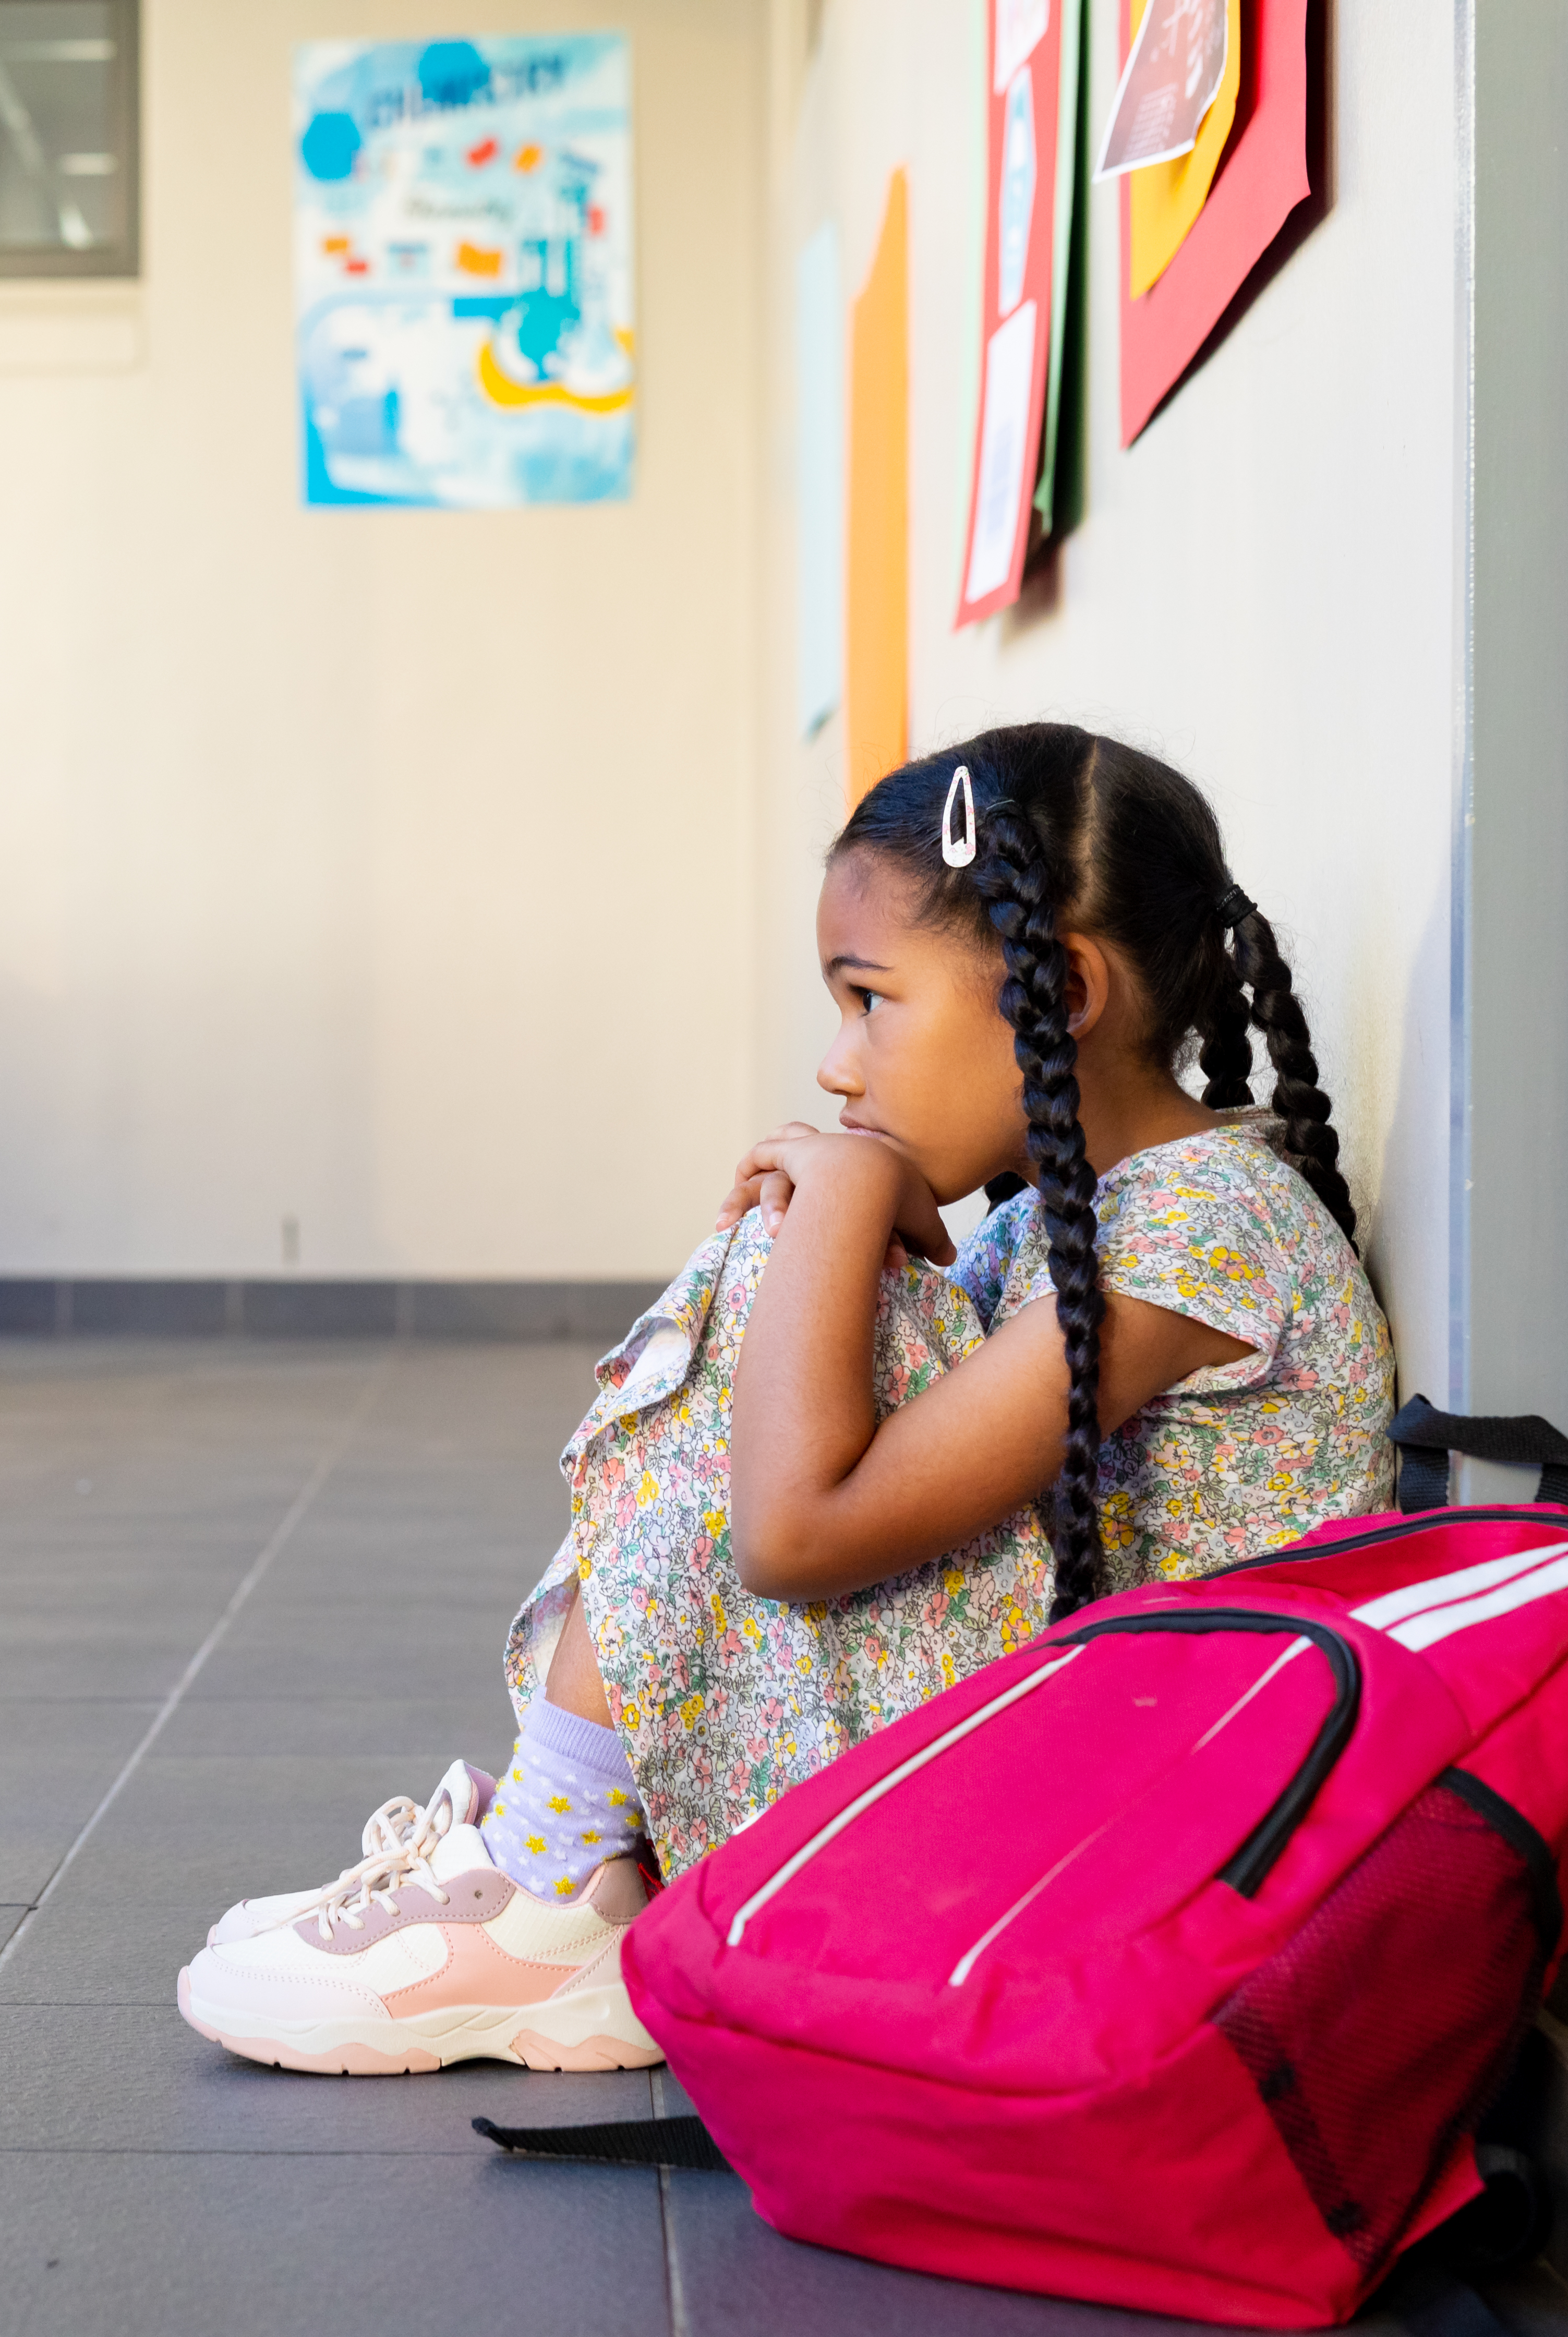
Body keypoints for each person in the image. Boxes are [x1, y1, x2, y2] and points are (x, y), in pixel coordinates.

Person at [175, 726, 1398, 2076]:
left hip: (1155, 1810)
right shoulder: (1096, 1219)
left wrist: (846, 1199)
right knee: (801, 1262)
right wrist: (839, 1214)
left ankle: (550, 1883)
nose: (839, 1062)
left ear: (1059, 988)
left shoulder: (1205, 1230)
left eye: (872, 999)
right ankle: (568, 1853)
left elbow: (799, 1531)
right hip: (1088, 1747)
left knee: (794, 1251)